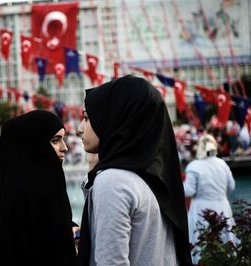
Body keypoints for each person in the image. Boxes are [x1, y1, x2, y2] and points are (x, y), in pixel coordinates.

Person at [77, 75, 192, 266]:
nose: (81, 129)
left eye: (87, 118)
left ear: (115, 121)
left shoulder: (113, 181)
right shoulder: (151, 179)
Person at [0, 110, 78, 266]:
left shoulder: (48, 184)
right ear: (33, 144)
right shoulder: (23, 197)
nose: (64, 147)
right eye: (55, 140)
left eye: (62, 139)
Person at [184, 134, 235, 264]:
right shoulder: (222, 164)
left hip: (201, 209)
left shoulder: (194, 166)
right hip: (223, 206)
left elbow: (189, 191)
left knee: (201, 242)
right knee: (225, 239)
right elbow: (232, 186)